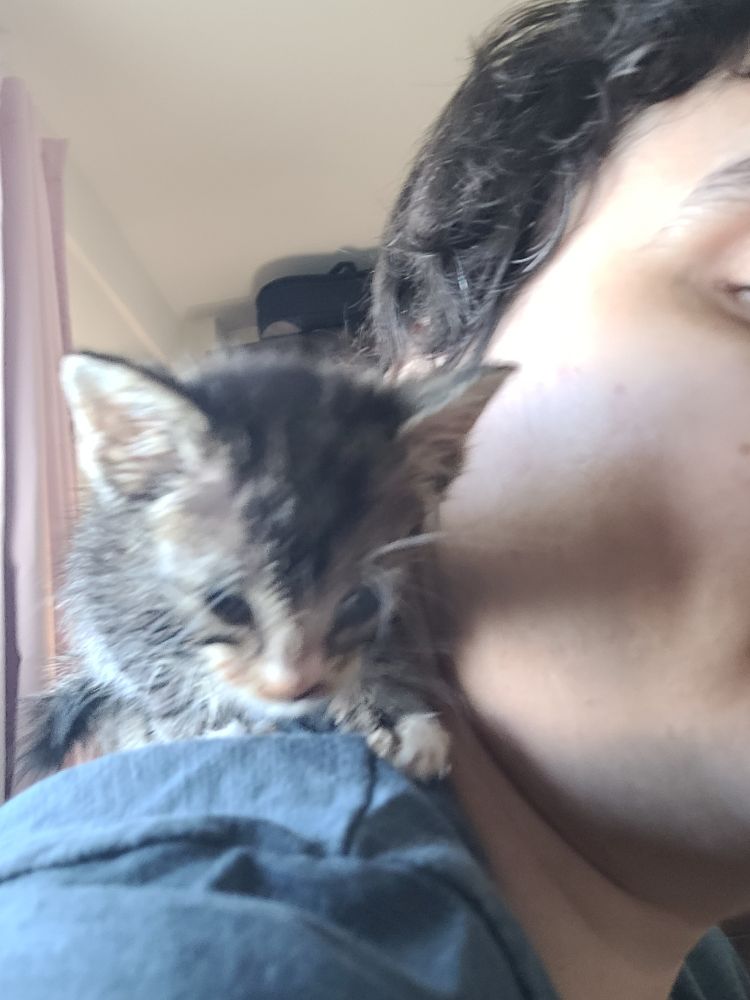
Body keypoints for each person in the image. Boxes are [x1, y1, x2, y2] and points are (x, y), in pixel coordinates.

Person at [2, 1, 750, 998]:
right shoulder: (216, 926)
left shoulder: (693, 958)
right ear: (443, 363)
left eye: (355, 606)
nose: (293, 681)